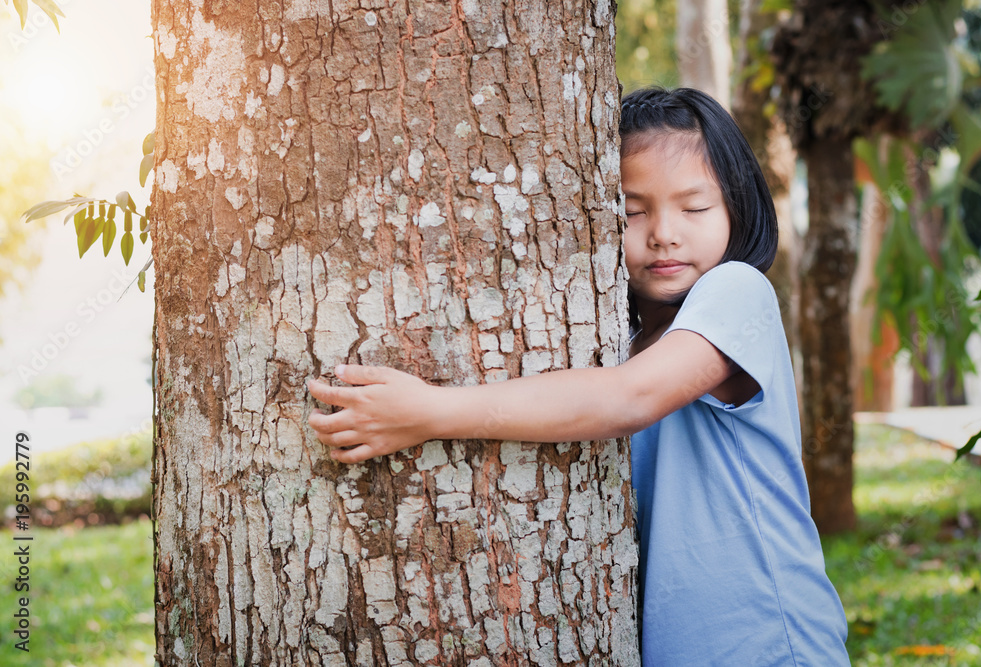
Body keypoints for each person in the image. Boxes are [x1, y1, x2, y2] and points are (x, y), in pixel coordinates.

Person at [306, 86, 850, 665]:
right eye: (632, 211)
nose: (663, 232)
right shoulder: (623, 338)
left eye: (694, 208)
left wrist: (430, 413)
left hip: (769, 639)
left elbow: (628, 398)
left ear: (738, 210)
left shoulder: (738, 292)